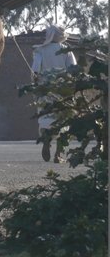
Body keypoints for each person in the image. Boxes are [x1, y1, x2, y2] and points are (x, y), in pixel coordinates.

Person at [31, 24, 77, 163]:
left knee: (46, 120)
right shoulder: (66, 50)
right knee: (64, 121)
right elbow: (73, 70)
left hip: (45, 91)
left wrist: (35, 85)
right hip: (63, 91)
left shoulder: (40, 50)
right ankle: (58, 154)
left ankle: (46, 141)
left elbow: (35, 71)